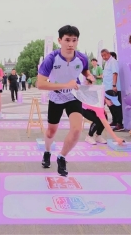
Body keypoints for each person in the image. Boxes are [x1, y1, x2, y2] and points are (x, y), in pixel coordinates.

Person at [37, 25, 96, 177]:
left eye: (74, 40)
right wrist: (65, 85)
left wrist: (90, 77)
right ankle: (47, 152)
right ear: (60, 40)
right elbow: (40, 84)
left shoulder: (82, 58)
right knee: (51, 131)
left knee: (77, 129)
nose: (71, 44)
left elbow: (85, 70)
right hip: (56, 97)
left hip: (73, 96)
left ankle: (62, 157)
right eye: (67, 40)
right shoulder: (51, 58)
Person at [101, 49, 124, 132]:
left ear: (108, 54)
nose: (103, 57)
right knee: (110, 106)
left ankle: (119, 124)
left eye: (104, 55)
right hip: (107, 87)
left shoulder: (113, 61)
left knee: (116, 106)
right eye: (102, 56)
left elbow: (115, 73)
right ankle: (114, 121)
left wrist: (114, 85)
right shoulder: (107, 63)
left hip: (112, 87)